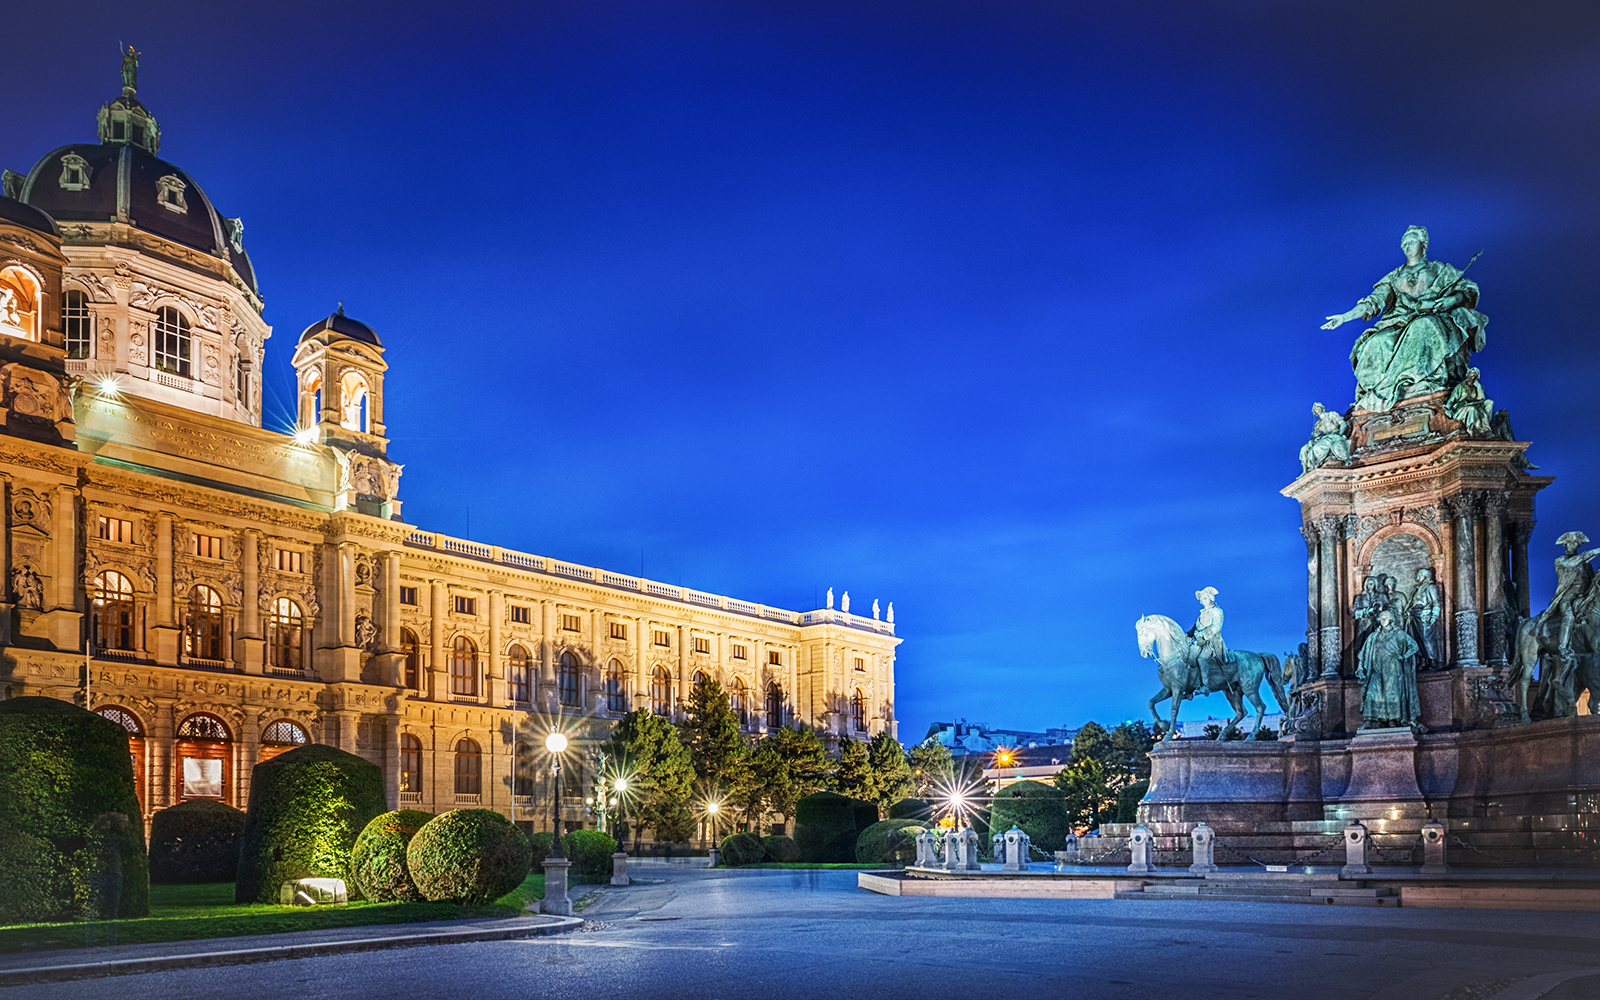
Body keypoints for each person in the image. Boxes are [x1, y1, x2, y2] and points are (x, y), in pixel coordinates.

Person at [1322, 226, 1488, 413]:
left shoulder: (1439, 270)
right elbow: (1373, 301)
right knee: (1374, 343)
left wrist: (1451, 300)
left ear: (1423, 244)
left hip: (1432, 318)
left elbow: (1467, 291)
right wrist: (1344, 317)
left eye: (1411, 242)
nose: (1407, 246)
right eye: (1404, 243)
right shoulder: (1394, 277)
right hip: (1398, 323)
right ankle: (1389, 392)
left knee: (1422, 326)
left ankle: (1415, 383)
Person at [1356, 610, 1421, 729]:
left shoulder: (1399, 634)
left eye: (1384, 618)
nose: (1382, 621)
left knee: (1392, 694)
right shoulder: (1373, 636)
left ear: (1391, 620)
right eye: (1381, 619)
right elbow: (1363, 654)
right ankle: (1372, 720)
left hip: (1392, 670)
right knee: (1372, 693)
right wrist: (1360, 668)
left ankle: (1393, 719)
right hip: (1376, 670)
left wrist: (1403, 656)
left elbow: (1414, 646)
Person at [1551, 531, 1600, 660]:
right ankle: (1563, 647)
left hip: (1584, 597)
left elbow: (1592, 581)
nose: (1573, 544)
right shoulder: (1561, 561)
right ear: (1565, 544)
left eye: (1576, 543)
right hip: (1567, 597)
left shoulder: (1586, 565)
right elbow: (1573, 562)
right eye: (1571, 542)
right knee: (1569, 615)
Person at [85, 812, 131, 945]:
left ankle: (96, 940)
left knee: (101, 910)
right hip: (108, 874)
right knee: (106, 910)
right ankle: (108, 940)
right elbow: (128, 847)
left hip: (105, 874)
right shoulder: (111, 837)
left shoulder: (100, 836)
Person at [1189, 587, 1231, 692]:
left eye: (1205, 598)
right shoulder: (1202, 614)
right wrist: (1187, 635)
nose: (1202, 601)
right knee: (1189, 657)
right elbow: (1195, 627)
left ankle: (1206, 686)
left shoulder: (1217, 611)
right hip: (1200, 642)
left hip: (1212, 642)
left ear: (1210, 598)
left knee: (1201, 658)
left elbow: (1216, 628)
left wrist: (1202, 635)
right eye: (1202, 599)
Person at [1298, 402, 1351, 472]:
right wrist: (1315, 435)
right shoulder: (1318, 424)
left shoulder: (1331, 414)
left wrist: (1340, 434)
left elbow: (1343, 423)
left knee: (1337, 446)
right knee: (1314, 449)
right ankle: (1313, 466)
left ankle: (1345, 459)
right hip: (1326, 438)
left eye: (1318, 407)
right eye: (1315, 409)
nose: (1317, 409)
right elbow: (1317, 436)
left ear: (1322, 408)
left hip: (1336, 435)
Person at [1408, 567, 1444, 671]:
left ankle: (1432, 660)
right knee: (1417, 639)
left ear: (1425, 576)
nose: (1418, 577)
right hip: (1415, 616)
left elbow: (1436, 601)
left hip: (1425, 616)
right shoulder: (1418, 588)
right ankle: (1423, 661)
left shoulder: (1430, 587)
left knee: (1426, 639)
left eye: (1420, 575)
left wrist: (1434, 615)